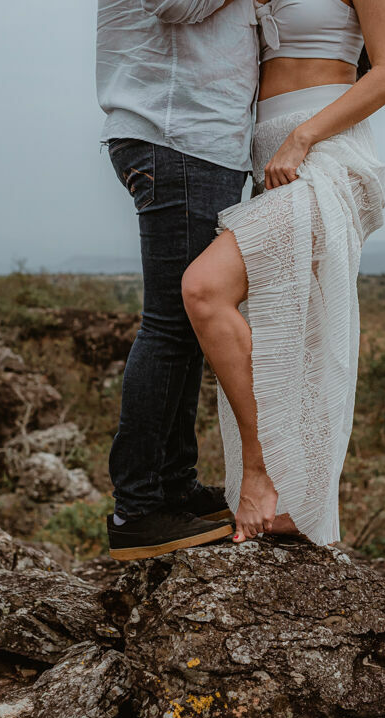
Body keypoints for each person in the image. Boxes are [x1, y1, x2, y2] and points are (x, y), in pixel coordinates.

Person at [181, 0, 385, 545]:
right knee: (293, 338)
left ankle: (263, 475)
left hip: (326, 155)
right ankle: (293, 506)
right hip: (269, 160)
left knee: (205, 288)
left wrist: (303, 136)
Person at [95, 0, 260, 560]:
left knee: (187, 326)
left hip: (195, 138)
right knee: (170, 325)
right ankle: (137, 508)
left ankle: (171, 487)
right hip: (178, 134)